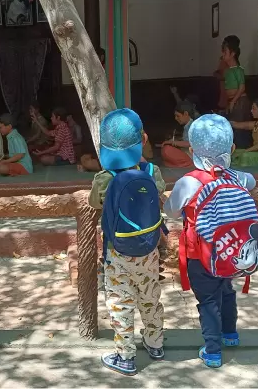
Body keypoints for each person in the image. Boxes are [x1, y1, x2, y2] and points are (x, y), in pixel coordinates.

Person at [164, 114, 258, 369]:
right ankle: (230, 335)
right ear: (232, 149)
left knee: (208, 301)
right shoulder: (238, 178)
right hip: (229, 251)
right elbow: (253, 181)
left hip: (200, 254)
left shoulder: (188, 182)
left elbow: (171, 210)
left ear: (192, 150)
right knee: (226, 292)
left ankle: (213, 351)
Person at [91, 109, 165, 376]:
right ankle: (155, 344)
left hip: (117, 252)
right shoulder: (152, 171)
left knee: (120, 302)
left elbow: (93, 203)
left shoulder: (105, 178)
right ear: (143, 139)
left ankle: (125, 357)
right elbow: (158, 194)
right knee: (150, 296)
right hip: (149, 250)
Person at [222, 38, 253, 149]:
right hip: (233, 101)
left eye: (225, 52)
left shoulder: (238, 69)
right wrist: (229, 103)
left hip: (240, 102)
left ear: (232, 54)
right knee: (233, 125)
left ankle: (242, 148)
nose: (223, 54)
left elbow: (242, 87)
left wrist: (233, 101)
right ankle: (234, 148)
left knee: (239, 126)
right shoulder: (228, 71)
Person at [231, 98, 258, 166]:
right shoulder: (257, 123)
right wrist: (223, 121)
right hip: (256, 152)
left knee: (245, 156)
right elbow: (238, 125)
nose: (251, 111)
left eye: (254, 109)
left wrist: (246, 151)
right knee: (235, 152)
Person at [160, 100, 198, 168]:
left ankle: (190, 163)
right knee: (166, 150)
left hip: (192, 155)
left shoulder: (193, 126)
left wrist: (173, 142)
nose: (176, 118)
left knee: (167, 150)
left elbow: (191, 143)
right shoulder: (187, 126)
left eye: (178, 116)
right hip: (187, 152)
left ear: (186, 114)